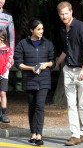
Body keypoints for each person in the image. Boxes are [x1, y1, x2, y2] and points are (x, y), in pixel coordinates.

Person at [56, 1, 83, 146]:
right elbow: (66, 50)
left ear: (71, 12)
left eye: (66, 13)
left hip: (82, 69)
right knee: (71, 104)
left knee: (82, 103)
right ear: (59, 15)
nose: (64, 16)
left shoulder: (82, 27)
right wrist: (57, 63)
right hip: (68, 70)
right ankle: (75, 135)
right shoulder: (62, 30)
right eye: (61, 14)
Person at [14, 18, 55, 146]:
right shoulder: (22, 44)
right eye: (38, 29)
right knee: (32, 106)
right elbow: (18, 63)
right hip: (29, 79)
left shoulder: (48, 44)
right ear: (32, 30)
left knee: (39, 106)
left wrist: (45, 64)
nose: (41, 31)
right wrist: (31, 68)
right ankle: (33, 133)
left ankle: (39, 134)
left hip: (44, 80)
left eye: (42, 29)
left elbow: (53, 62)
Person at [0, 0, 15, 122]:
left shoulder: (8, 17)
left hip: (4, 54)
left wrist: (12, 55)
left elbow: (11, 37)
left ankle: (3, 113)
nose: (1, 1)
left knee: (2, 91)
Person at [0, 29, 13, 123]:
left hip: (4, 75)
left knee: (3, 93)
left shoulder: (8, 49)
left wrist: (3, 72)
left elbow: (9, 61)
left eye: (2, 38)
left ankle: (4, 114)